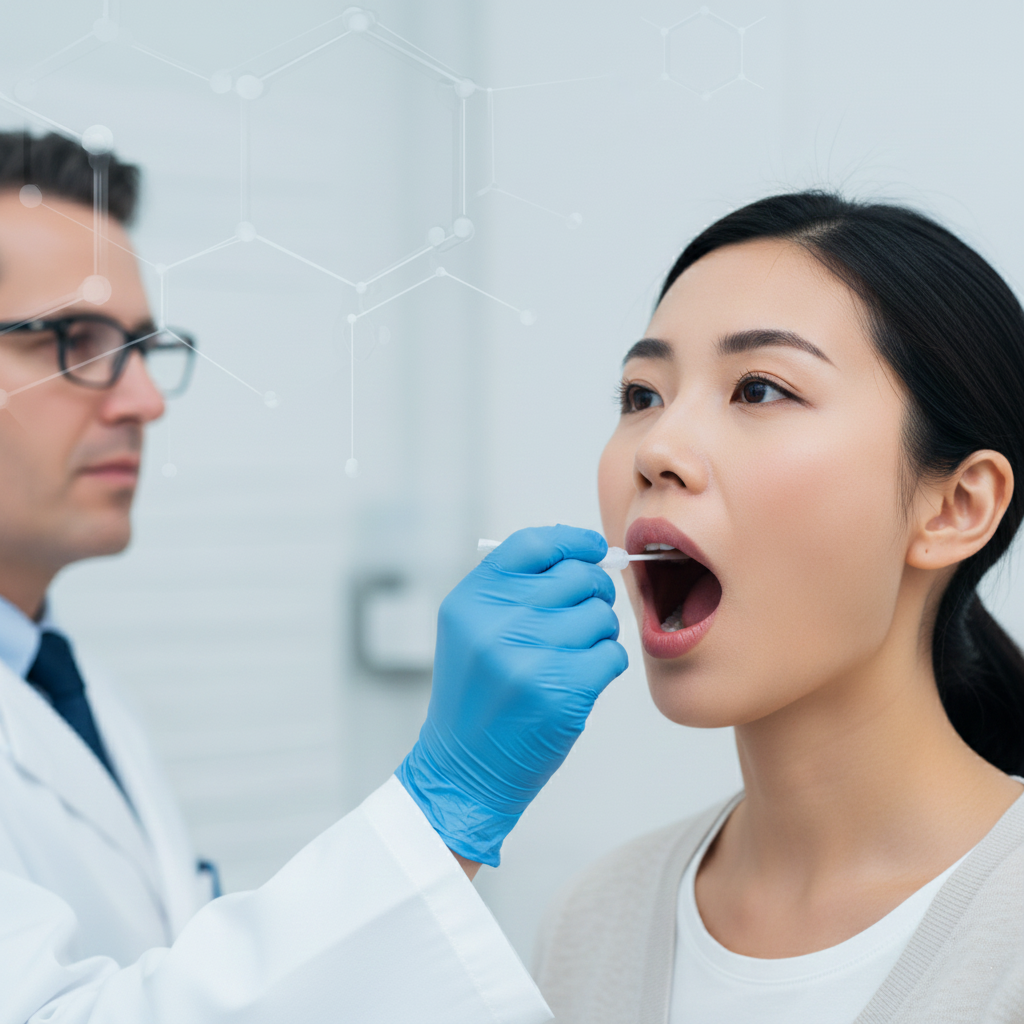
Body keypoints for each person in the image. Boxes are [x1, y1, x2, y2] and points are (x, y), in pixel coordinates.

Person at [0, 131, 628, 1022]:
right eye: (77, 341)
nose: (141, 400)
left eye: (143, 347)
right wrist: (443, 807)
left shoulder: (69, 689)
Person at [534, 192, 1024, 1023]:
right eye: (641, 395)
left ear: (955, 508)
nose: (656, 450)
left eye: (759, 389)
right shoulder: (595, 918)